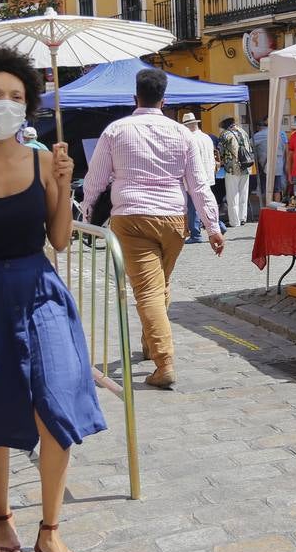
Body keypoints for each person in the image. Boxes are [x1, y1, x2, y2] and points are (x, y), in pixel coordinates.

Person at [0, 48, 106, 552]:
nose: (6, 104)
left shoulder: (45, 161)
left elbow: (60, 240)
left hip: (40, 288)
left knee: (58, 401)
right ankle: (1, 518)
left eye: (16, 96)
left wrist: (63, 186)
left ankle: (50, 528)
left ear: (29, 105)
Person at [81, 69, 224, 389]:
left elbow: (95, 180)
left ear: (135, 98)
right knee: (160, 285)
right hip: (173, 218)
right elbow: (198, 185)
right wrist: (212, 226)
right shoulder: (182, 134)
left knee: (147, 290)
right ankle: (149, 345)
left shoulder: (116, 131)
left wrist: (86, 214)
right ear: (164, 100)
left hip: (130, 217)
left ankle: (165, 361)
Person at [181, 112, 220, 243]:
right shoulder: (207, 138)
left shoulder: (190, 139)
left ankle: (196, 233)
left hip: (196, 176)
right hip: (208, 175)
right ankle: (219, 225)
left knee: (193, 207)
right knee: (207, 203)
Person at [219, 116, 255, 227]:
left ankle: (235, 221)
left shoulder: (225, 135)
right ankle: (242, 217)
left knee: (232, 195)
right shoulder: (244, 132)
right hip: (246, 167)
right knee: (243, 193)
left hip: (232, 168)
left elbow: (221, 152)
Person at [252, 118, 286, 200]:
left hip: (266, 166)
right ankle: (276, 208)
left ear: (259, 127)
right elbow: (283, 148)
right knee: (277, 189)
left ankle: (267, 208)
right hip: (278, 165)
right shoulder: (278, 134)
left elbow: (249, 146)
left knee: (267, 189)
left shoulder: (258, 135)